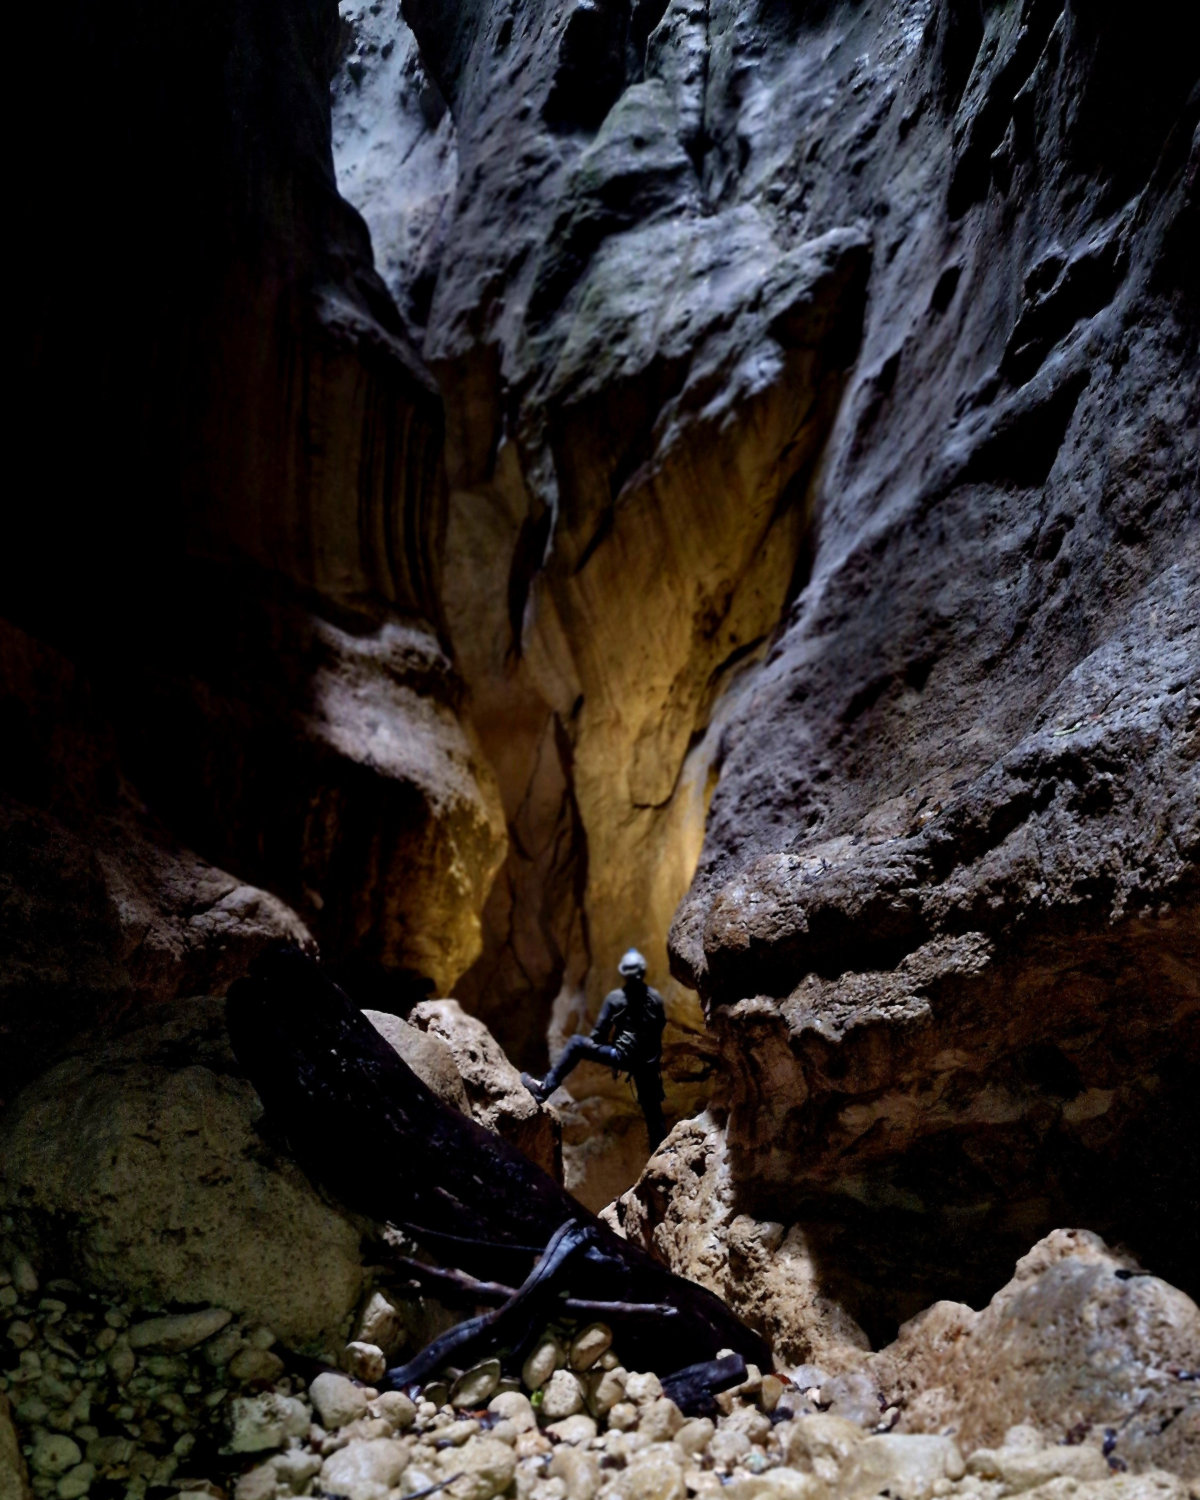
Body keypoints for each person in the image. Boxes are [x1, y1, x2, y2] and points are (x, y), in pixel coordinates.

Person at [521, 949, 667, 1149]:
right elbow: (658, 1029)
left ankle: (544, 1088)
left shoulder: (616, 998)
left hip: (623, 1057)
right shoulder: (656, 998)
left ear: (624, 974)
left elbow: (598, 1035)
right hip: (648, 1063)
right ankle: (662, 1154)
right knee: (653, 1113)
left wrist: (615, 1044)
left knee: (575, 1044)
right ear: (643, 972)